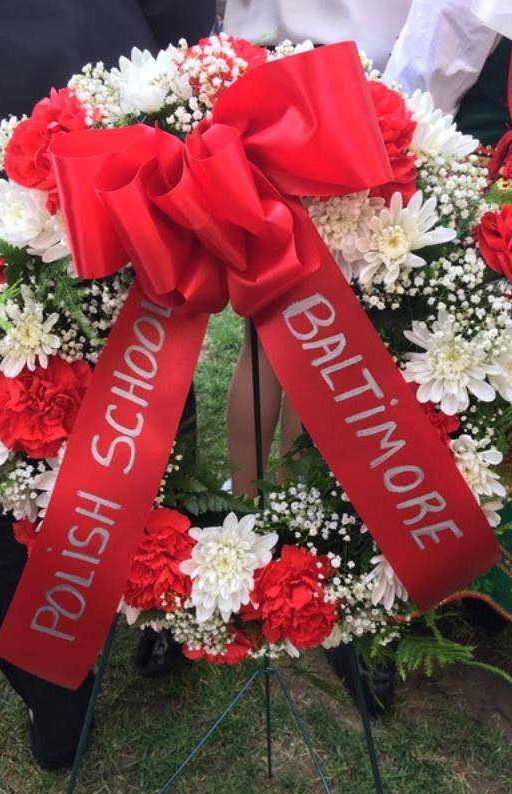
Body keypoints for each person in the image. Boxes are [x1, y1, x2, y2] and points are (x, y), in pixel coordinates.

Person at [0, 0, 215, 769]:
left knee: (18, 397)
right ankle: (161, 614)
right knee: (141, 353)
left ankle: (55, 694)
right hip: (107, 68)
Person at [384, 0, 512, 630]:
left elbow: (429, 69)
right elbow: (430, 70)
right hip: (501, 204)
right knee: (458, 374)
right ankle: (419, 569)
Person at [223, 0, 411, 496]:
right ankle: (295, 498)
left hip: (258, 76)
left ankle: (246, 494)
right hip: (346, 86)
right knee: (321, 328)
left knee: (264, 337)